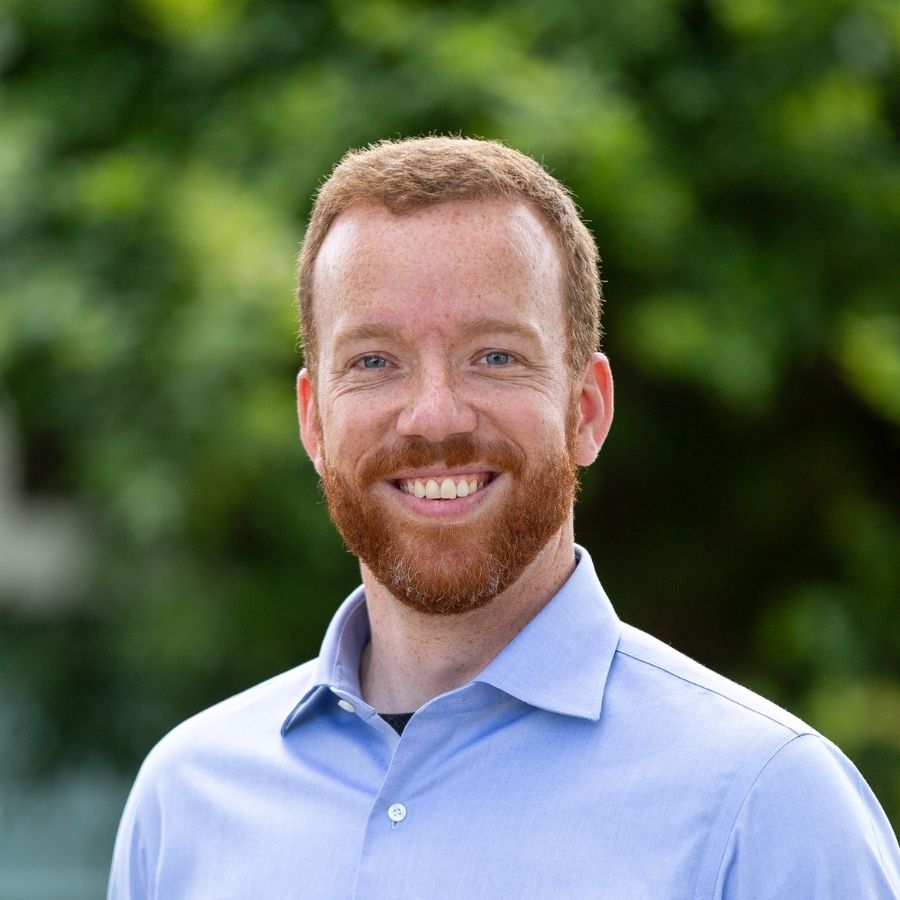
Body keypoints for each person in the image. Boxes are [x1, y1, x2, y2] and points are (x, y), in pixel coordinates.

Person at [108, 136, 899, 899]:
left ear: (587, 410)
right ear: (313, 422)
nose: (433, 416)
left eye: (495, 357)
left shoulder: (767, 807)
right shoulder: (184, 803)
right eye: (374, 361)